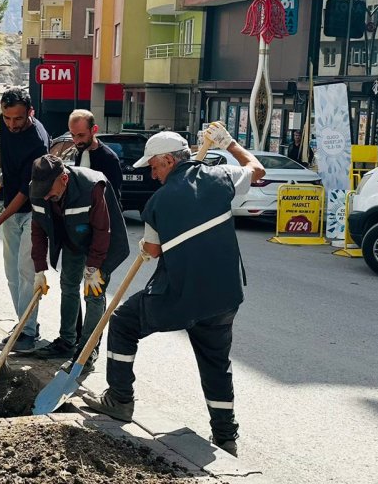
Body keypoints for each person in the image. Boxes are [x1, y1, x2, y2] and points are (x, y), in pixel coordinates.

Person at [82, 126, 265, 458]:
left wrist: (148, 243)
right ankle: (225, 437)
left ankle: (120, 399)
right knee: (216, 362)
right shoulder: (221, 176)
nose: (152, 174)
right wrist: (232, 145)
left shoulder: (157, 202)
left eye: (154, 166)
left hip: (179, 296)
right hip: (224, 296)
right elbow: (257, 169)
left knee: (123, 322)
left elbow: (151, 249)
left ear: (168, 160)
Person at [27, 155, 130, 365]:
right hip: (73, 239)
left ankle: (87, 350)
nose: (45, 196)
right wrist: (39, 269)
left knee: (93, 293)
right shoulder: (38, 190)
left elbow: (103, 230)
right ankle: (67, 342)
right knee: (68, 285)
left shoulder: (91, 186)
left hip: (104, 243)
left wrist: (93, 267)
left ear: (64, 179)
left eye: (49, 190)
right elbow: (38, 231)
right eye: (42, 190)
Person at [0, 88, 51, 353]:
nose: (11, 124)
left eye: (18, 119)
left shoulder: (38, 141)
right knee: (11, 274)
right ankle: (23, 322)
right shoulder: (6, 123)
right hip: (10, 205)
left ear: (30, 113)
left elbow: (26, 191)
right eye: (7, 117)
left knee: (26, 272)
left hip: (32, 210)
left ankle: (28, 331)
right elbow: (3, 147)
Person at [66, 109, 123, 206]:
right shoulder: (78, 153)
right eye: (73, 135)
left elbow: (114, 198)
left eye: (81, 135)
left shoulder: (109, 159)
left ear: (94, 130)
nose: (76, 141)